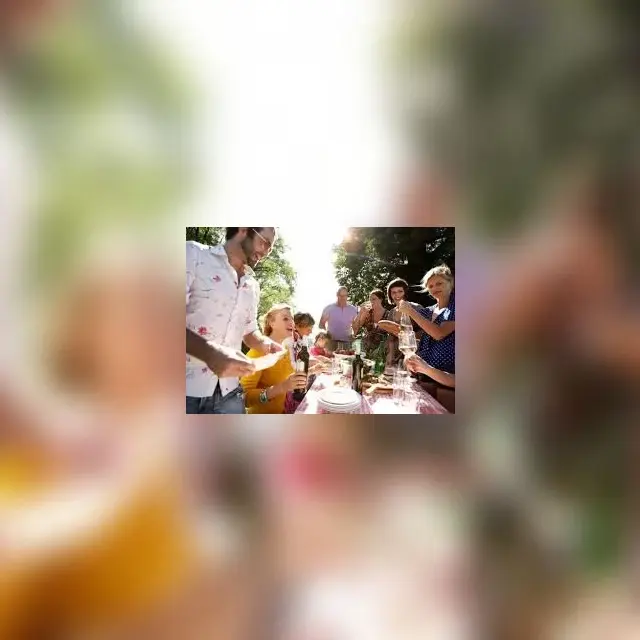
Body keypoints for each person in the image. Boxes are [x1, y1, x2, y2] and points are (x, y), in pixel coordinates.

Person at [186, 227, 284, 414]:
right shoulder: (193, 255)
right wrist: (210, 354)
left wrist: (265, 344)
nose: (266, 252)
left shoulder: (252, 285)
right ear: (243, 230)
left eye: (270, 249)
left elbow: (249, 331)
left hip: (230, 394)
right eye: (265, 242)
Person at [240, 304, 308, 414]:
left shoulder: (286, 350)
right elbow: (244, 399)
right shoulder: (257, 352)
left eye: (292, 319)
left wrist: (311, 370)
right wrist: (282, 387)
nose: (292, 322)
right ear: (271, 323)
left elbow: (288, 379)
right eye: (285, 318)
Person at [398, 264, 455, 382]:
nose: (435, 288)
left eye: (439, 283)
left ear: (451, 283)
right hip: (426, 377)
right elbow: (406, 329)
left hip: (450, 379)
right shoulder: (428, 311)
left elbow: (439, 333)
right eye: (430, 286)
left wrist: (410, 311)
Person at [351, 289, 393, 360]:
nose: (371, 302)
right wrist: (361, 313)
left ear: (381, 299)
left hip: (380, 351)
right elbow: (355, 329)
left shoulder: (388, 314)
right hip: (364, 349)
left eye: (374, 299)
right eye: (370, 300)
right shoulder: (367, 313)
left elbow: (392, 335)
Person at [319, 287, 359, 352]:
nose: (343, 298)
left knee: (346, 358)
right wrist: (326, 334)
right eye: (341, 296)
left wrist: (354, 335)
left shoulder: (353, 309)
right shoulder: (329, 308)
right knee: (330, 358)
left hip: (347, 342)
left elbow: (355, 325)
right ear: (337, 295)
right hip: (331, 342)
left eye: (345, 296)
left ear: (347, 296)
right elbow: (321, 324)